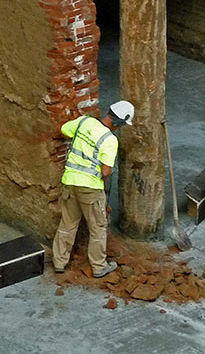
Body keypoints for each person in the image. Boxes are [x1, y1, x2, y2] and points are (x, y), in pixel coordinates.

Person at [52, 100, 135, 278]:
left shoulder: (84, 121)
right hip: (90, 188)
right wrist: (103, 185)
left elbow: (65, 130)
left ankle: (59, 262)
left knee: (67, 224)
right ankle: (98, 267)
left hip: (70, 182)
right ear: (118, 122)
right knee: (98, 228)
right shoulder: (110, 140)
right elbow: (106, 170)